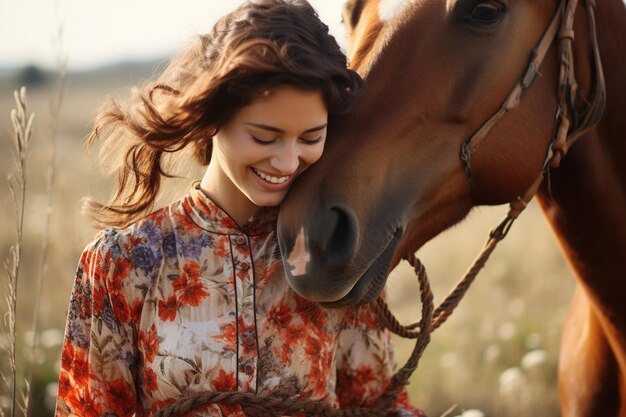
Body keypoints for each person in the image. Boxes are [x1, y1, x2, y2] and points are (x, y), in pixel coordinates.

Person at [55, 1, 425, 416]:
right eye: (265, 137)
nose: (287, 162)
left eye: (310, 138)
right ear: (213, 117)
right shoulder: (123, 263)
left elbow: (379, 407)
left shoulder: (335, 248)